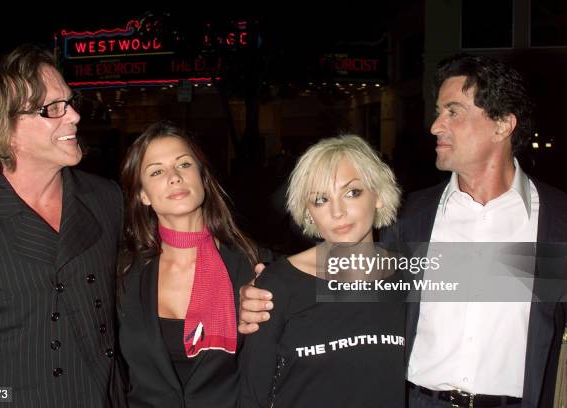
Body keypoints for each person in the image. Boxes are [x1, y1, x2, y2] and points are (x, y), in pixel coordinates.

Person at [239, 55, 567, 408]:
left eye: (452, 111)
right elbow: (332, 290)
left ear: (503, 124)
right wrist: (263, 291)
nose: (435, 126)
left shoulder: (558, 221)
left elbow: (492, 282)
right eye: (439, 111)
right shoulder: (407, 219)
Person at [0, 44, 124, 406]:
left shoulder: (106, 199)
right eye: (53, 109)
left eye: (71, 102)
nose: (75, 116)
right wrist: (4, 399)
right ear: (7, 130)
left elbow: (153, 280)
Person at [240, 135, 405, 407]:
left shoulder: (406, 276)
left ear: (377, 195)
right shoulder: (279, 284)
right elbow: (252, 395)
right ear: (308, 213)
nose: (337, 211)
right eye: (320, 200)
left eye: (352, 192)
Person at [117, 121, 258, 407]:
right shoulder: (122, 272)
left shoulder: (252, 265)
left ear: (202, 177)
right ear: (143, 195)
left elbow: (352, 279)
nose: (174, 177)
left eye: (184, 165)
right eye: (157, 171)